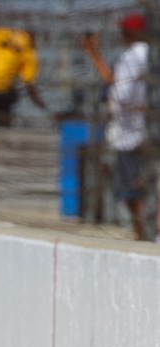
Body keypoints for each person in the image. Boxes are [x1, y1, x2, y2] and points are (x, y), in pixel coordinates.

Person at [83, 12, 152, 241]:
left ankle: (143, 233)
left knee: (132, 188)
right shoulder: (148, 55)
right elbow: (113, 80)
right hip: (142, 131)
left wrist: (115, 102)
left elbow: (121, 94)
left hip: (129, 133)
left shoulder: (131, 57)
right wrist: (94, 54)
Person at [0, 27, 47, 128]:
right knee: (11, 96)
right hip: (0, 88)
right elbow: (29, 84)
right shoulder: (28, 53)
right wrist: (42, 105)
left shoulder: (2, 33)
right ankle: (4, 123)